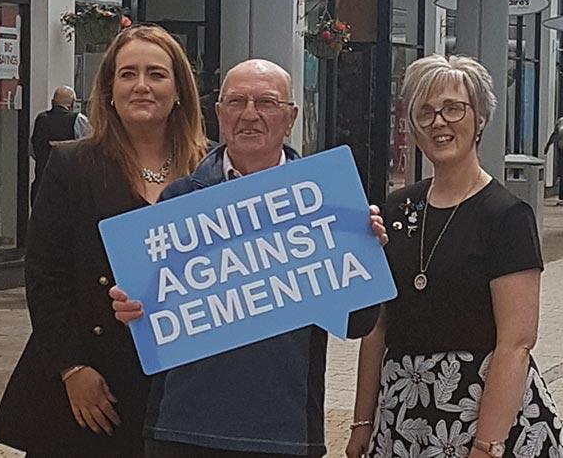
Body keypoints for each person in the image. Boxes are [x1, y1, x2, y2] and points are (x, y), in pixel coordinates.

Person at [109, 59, 387, 458]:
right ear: (219, 114)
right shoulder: (179, 201)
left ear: (290, 117)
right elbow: (150, 321)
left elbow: (357, 323)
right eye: (237, 101)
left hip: (285, 431)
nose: (250, 114)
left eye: (267, 103)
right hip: (182, 429)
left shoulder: (328, 204)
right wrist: (131, 306)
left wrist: (366, 254)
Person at [0, 25, 208, 457]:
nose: (141, 86)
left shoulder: (211, 169)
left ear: (179, 89)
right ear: (109, 89)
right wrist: (72, 368)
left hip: (182, 387)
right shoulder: (72, 165)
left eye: (156, 74)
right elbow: (45, 276)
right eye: (128, 74)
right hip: (90, 386)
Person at [346, 54, 563, 458]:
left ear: (480, 119)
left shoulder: (506, 216)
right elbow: (377, 327)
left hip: (485, 412)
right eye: (426, 112)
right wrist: (363, 421)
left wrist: (487, 446)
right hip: (403, 413)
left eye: (453, 108)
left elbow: (516, 343)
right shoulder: (397, 209)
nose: (439, 122)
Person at [30, 86, 91, 205]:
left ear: (52, 102)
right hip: (70, 187)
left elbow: (32, 149)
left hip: (41, 185)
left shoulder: (39, 119)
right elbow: (90, 148)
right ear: (72, 104)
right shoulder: (78, 120)